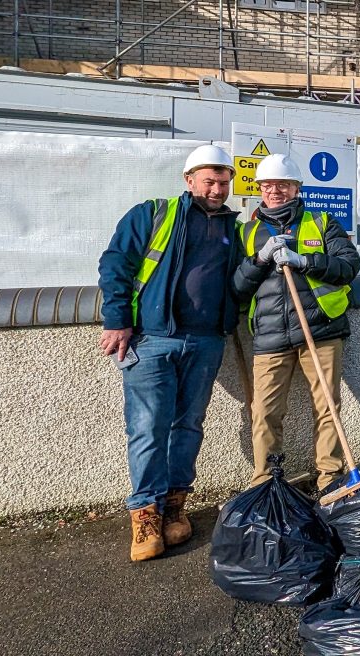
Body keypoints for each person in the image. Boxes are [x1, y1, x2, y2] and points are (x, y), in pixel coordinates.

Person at [98, 144, 241, 562]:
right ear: (189, 180)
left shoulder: (232, 227)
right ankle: (145, 514)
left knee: (188, 426)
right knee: (147, 428)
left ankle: (175, 506)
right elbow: (115, 264)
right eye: (210, 180)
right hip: (151, 339)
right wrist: (117, 319)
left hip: (207, 341)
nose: (217, 188)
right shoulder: (154, 214)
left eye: (224, 181)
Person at [232, 154, 360, 493]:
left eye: (284, 185)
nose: (276, 191)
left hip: (320, 330)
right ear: (259, 189)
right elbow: (236, 287)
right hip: (270, 337)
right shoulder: (246, 232)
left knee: (328, 407)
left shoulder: (321, 222)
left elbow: (348, 265)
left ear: (297, 188)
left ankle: (329, 476)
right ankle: (266, 481)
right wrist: (259, 260)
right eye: (268, 185)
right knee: (265, 412)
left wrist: (305, 261)